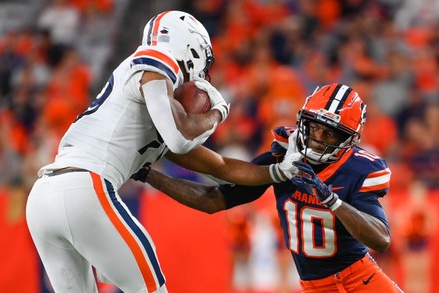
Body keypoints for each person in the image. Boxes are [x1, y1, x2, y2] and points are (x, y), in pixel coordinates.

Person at [25, 10, 298, 293]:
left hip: (43, 198)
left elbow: (222, 167)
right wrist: (218, 111)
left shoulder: (145, 116)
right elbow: (180, 138)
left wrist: (277, 171)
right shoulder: (156, 59)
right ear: (190, 47)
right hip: (85, 189)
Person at [144, 83, 404, 292]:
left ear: (347, 140)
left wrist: (330, 199)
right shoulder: (284, 156)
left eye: (330, 134)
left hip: (361, 280)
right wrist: (148, 175)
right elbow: (213, 200)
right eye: (314, 127)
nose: (317, 139)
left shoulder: (358, 169)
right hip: (314, 287)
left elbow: (380, 239)